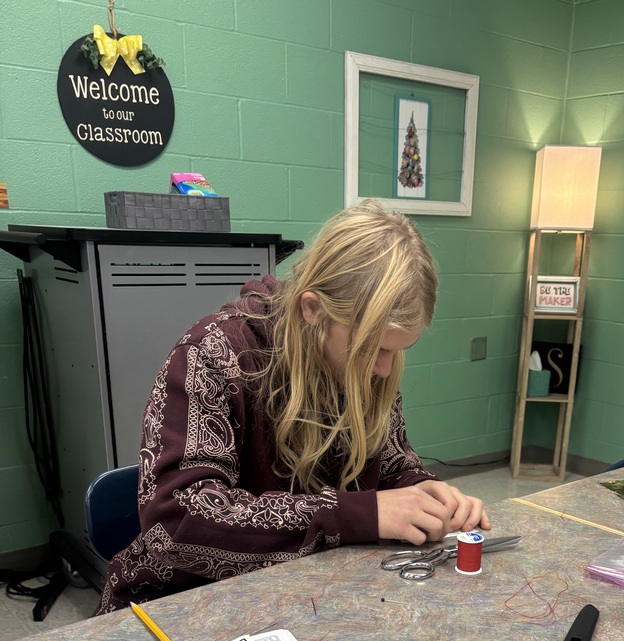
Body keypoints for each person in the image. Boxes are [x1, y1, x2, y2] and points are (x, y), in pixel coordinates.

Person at [98, 201, 491, 613]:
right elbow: (175, 522)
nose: (384, 369)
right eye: (373, 349)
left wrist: (421, 490)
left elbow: (391, 463)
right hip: (185, 600)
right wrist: (355, 514)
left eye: (397, 351)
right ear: (313, 309)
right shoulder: (214, 354)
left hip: (317, 588)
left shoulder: (369, 366)